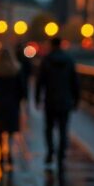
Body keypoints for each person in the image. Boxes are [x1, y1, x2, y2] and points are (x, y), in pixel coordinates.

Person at [35, 37, 79, 166]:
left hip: (50, 100)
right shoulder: (69, 60)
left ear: (51, 45)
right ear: (61, 45)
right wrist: (76, 99)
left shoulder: (46, 60)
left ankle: (50, 152)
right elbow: (75, 83)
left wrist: (37, 98)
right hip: (65, 100)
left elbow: (40, 82)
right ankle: (62, 153)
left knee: (49, 128)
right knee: (63, 128)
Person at [0, 48, 26, 165]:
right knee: (10, 130)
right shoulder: (16, 70)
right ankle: (10, 152)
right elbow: (22, 89)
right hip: (12, 104)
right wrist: (18, 100)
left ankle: (1, 153)